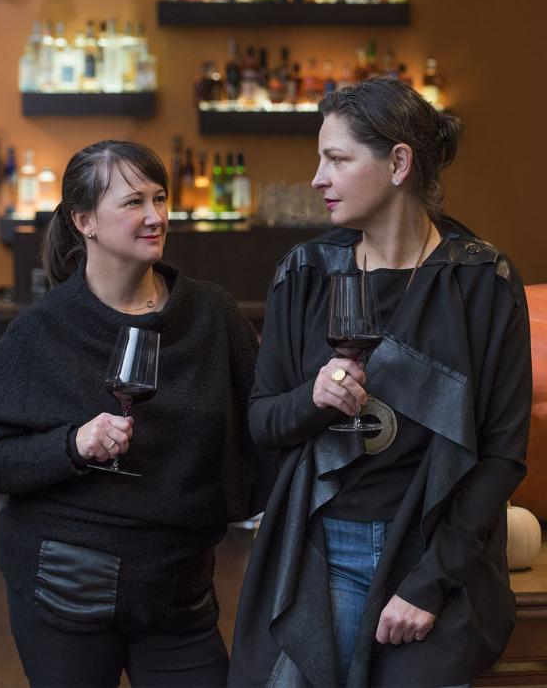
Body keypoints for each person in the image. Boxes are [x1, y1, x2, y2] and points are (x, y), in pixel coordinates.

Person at [228, 78, 532, 688]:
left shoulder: (483, 280)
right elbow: (262, 421)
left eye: (336, 159)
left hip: (434, 557)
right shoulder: (307, 273)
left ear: (398, 162)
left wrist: (428, 584)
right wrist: (313, 399)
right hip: (320, 550)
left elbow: (501, 456)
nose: (318, 177)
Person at [0, 140, 273, 688]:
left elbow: (263, 426)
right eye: (134, 202)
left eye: (160, 199)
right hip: (65, 585)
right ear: (84, 220)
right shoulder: (43, 331)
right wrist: (73, 445)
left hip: (180, 588)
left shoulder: (211, 313)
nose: (156, 217)